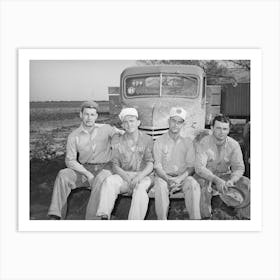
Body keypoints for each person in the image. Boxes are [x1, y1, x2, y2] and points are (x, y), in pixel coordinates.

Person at [47, 100, 122, 220]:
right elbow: (70, 160)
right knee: (63, 175)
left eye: (92, 115)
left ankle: (92, 220)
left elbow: (120, 133)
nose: (89, 118)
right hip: (84, 169)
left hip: (106, 167)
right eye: (86, 114)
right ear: (81, 115)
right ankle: (56, 215)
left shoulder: (106, 128)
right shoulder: (73, 136)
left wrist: (115, 139)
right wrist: (87, 174)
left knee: (100, 179)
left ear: (96, 116)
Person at [96, 108, 154, 220]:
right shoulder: (118, 141)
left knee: (140, 189)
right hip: (125, 175)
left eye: (132, 121)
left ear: (138, 122)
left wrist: (138, 177)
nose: (129, 124)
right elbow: (115, 165)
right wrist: (127, 177)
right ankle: (103, 216)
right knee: (110, 181)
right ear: (122, 125)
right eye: (125, 122)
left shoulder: (147, 139)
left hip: (143, 176)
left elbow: (150, 163)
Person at [195, 114, 250, 219]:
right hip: (207, 176)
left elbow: (239, 167)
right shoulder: (204, 142)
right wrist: (216, 180)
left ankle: (244, 216)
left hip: (225, 175)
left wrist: (233, 180)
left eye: (225, 129)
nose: (221, 132)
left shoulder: (234, 145)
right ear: (212, 128)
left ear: (229, 130)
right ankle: (205, 217)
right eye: (218, 128)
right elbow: (199, 167)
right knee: (203, 185)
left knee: (248, 184)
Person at [153, 107, 201, 220]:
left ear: (183, 124)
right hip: (164, 177)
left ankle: (195, 220)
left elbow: (191, 166)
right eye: (173, 121)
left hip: (182, 177)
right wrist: (168, 179)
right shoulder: (159, 141)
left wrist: (179, 179)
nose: (176, 125)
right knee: (160, 186)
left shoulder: (188, 142)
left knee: (193, 184)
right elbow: (157, 166)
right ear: (168, 121)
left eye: (179, 122)